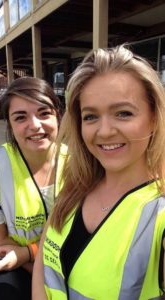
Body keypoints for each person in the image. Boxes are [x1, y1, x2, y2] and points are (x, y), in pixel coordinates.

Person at [32, 45, 165, 300]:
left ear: (154, 118)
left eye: (123, 113)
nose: (104, 132)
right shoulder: (74, 187)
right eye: (91, 117)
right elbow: (43, 267)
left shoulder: (159, 213)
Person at [0, 77, 65, 300]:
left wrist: (29, 252)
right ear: (10, 124)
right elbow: (0, 241)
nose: (34, 125)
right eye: (20, 117)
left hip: (69, 263)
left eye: (44, 113)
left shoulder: (81, 164)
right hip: (20, 267)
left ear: (58, 116)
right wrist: (38, 272)